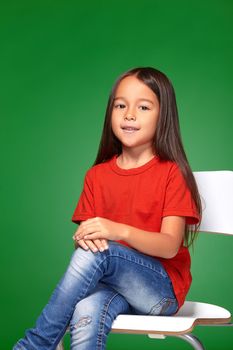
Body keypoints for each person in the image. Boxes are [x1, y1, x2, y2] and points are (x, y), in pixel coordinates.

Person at [13, 66, 201, 350]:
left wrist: (117, 231)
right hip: (113, 288)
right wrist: (86, 237)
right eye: (121, 105)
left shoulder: (171, 173)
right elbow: (91, 245)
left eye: (144, 107)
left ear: (163, 116)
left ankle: (36, 344)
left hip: (160, 293)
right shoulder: (96, 176)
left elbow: (169, 246)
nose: (129, 115)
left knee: (102, 253)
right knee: (87, 308)